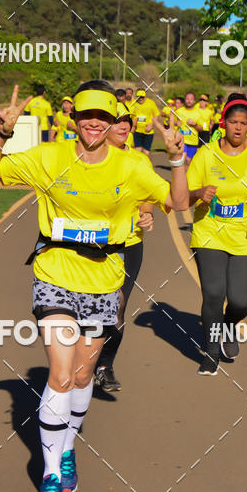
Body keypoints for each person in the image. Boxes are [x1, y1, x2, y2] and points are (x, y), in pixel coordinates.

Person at [0, 81, 188, 492]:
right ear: (74, 119)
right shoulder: (50, 156)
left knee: (81, 372)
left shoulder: (130, 166)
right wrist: (1, 132)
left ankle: (67, 447)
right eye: (86, 114)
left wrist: (178, 158)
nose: (94, 122)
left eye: (103, 116)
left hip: (105, 279)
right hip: (54, 273)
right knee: (58, 373)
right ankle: (51, 475)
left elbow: (178, 201)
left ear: (113, 123)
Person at [187, 94, 247, 375]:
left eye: (243, 123)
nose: (238, 128)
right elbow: (183, 196)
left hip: (245, 237)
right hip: (208, 233)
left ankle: (229, 324)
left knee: (241, 301)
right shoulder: (206, 154)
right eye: (232, 122)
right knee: (214, 293)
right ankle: (211, 352)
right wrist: (198, 193)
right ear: (223, 123)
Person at [94, 103, 155, 392]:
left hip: (129, 245)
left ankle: (105, 364)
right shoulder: (87, 159)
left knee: (117, 307)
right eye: (116, 120)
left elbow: (148, 195)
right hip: (90, 245)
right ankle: (82, 361)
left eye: (127, 121)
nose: (124, 126)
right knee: (88, 309)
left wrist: (147, 213)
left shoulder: (141, 161)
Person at [130, 88, 160, 156]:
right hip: (137, 131)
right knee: (137, 152)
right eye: (138, 97)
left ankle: (147, 165)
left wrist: (151, 125)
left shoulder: (151, 103)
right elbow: (131, 115)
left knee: (146, 152)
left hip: (148, 132)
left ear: (145, 96)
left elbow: (156, 114)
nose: (140, 98)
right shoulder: (134, 103)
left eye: (142, 97)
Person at [176, 91, 202, 165]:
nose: (189, 101)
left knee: (188, 160)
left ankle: (188, 175)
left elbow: (201, 128)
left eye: (191, 99)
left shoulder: (198, 113)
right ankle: (181, 175)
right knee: (182, 159)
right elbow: (170, 123)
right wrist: (176, 124)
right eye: (187, 99)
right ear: (185, 100)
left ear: (194, 101)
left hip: (193, 141)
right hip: (181, 140)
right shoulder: (179, 111)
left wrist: (194, 124)